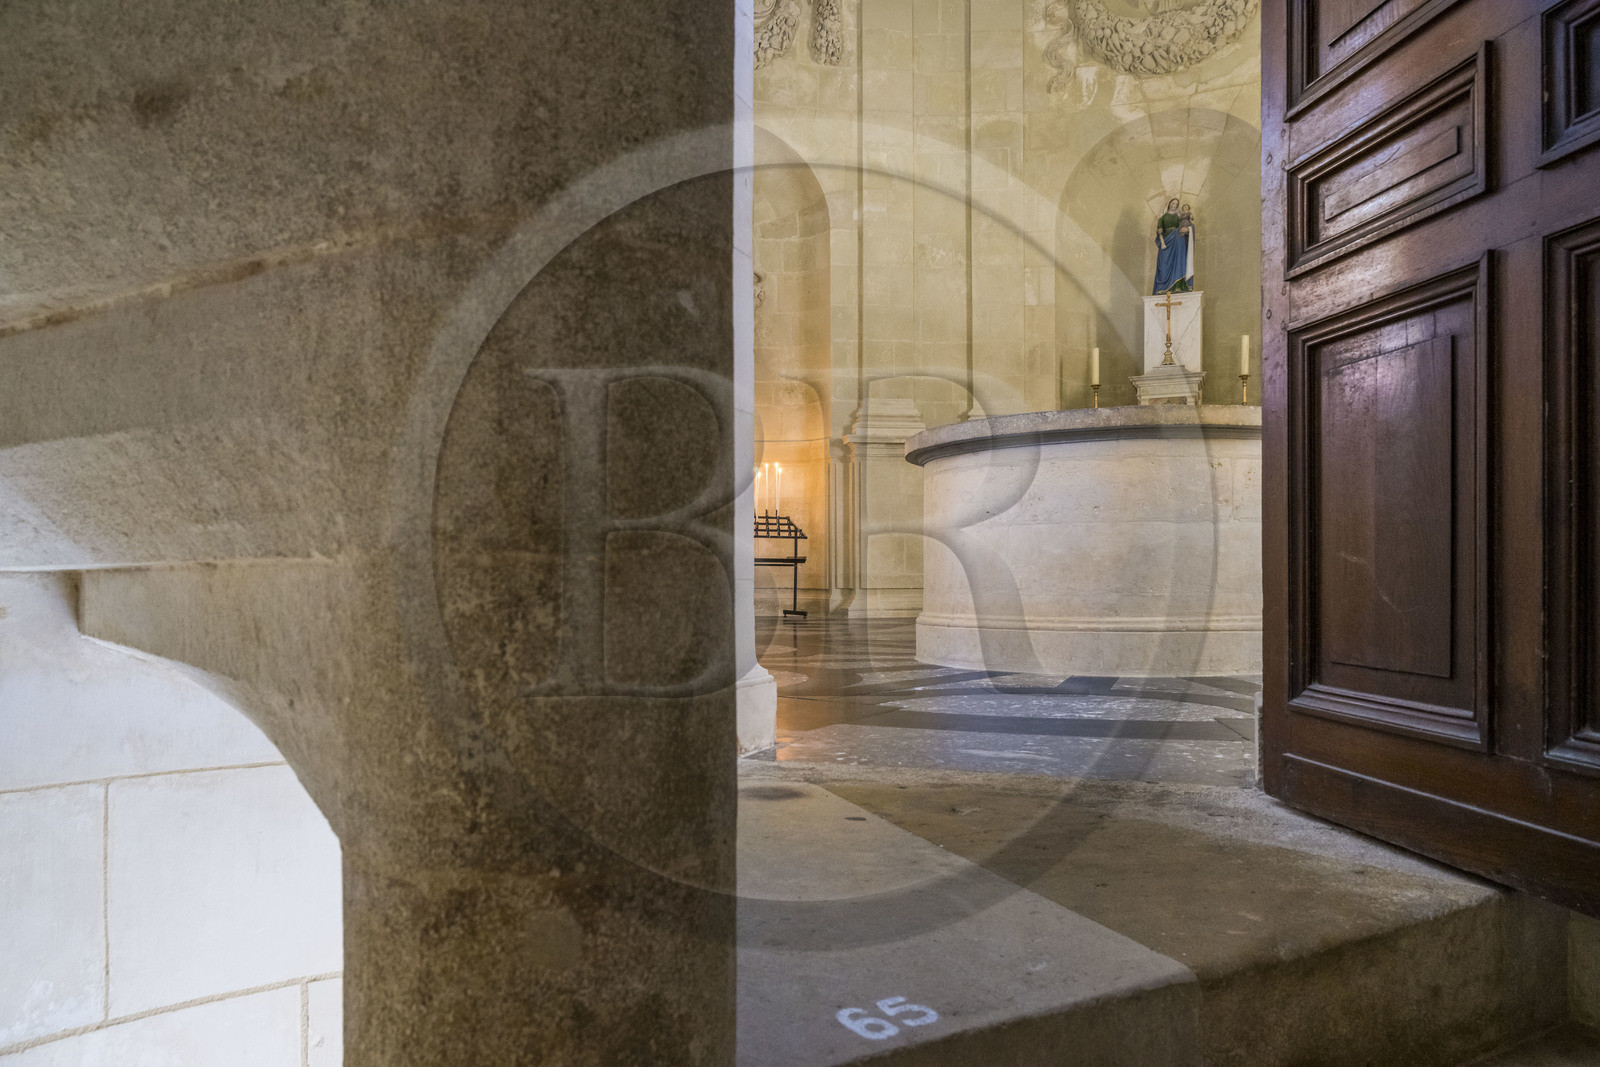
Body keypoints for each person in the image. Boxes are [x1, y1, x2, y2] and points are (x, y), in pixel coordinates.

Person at [1152, 197, 1195, 294]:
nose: (1174, 205)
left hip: (1178, 240)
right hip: (1166, 242)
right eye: (1172, 203)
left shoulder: (1179, 217)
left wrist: (1189, 230)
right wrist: (1162, 242)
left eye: (1176, 204)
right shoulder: (1162, 218)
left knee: (1179, 261)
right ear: (1169, 204)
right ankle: (1162, 287)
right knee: (1163, 265)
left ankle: (1179, 286)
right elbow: (1159, 232)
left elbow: (1188, 225)